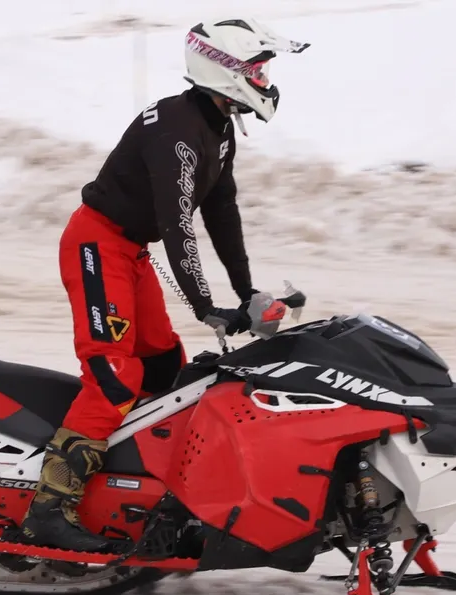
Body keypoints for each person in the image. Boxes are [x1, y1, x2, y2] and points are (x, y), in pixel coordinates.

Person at [15, 18, 310, 553]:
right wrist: (206, 307)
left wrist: (245, 294)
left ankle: (132, 490)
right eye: (257, 67)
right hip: (97, 243)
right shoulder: (178, 129)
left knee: (163, 366)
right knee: (113, 375)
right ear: (224, 69)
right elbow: (177, 225)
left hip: (130, 250)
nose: (265, 78)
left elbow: (221, 212)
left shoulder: (216, 126)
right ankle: (49, 509)